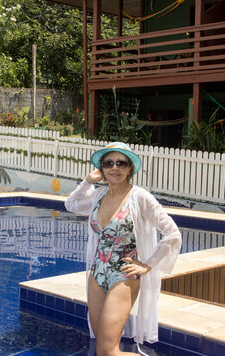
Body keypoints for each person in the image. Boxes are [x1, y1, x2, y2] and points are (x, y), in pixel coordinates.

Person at [65, 142, 182, 356]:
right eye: (109, 163)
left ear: (130, 168)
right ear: (102, 169)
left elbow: (172, 233)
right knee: (100, 346)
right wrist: (87, 182)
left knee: (108, 352)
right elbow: (71, 205)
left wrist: (148, 265)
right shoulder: (97, 195)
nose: (114, 168)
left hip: (123, 275)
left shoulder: (140, 197)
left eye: (121, 163)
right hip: (97, 273)